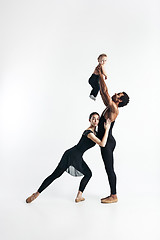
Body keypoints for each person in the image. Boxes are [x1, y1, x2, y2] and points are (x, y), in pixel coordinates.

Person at [26, 112, 111, 204]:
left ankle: (78, 196)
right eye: (93, 118)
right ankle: (36, 194)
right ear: (89, 120)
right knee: (57, 175)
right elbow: (102, 144)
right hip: (73, 154)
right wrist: (107, 129)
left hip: (74, 154)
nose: (95, 121)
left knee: (61, 175)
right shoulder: (89, 132)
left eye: (97, 119)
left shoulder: (95, 133)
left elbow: (103, 141)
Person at [95, 66, 130, 203]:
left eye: (118, 94)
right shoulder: (110, 106)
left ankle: (113, 195)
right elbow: (104, 93)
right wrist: (99, 76)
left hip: (107, 142)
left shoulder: (114, 108)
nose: (116, 93)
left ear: (119, 100)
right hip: (107, 139)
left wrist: (102, 76)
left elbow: (105, 90)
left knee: (109, 168)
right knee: (108, 167)